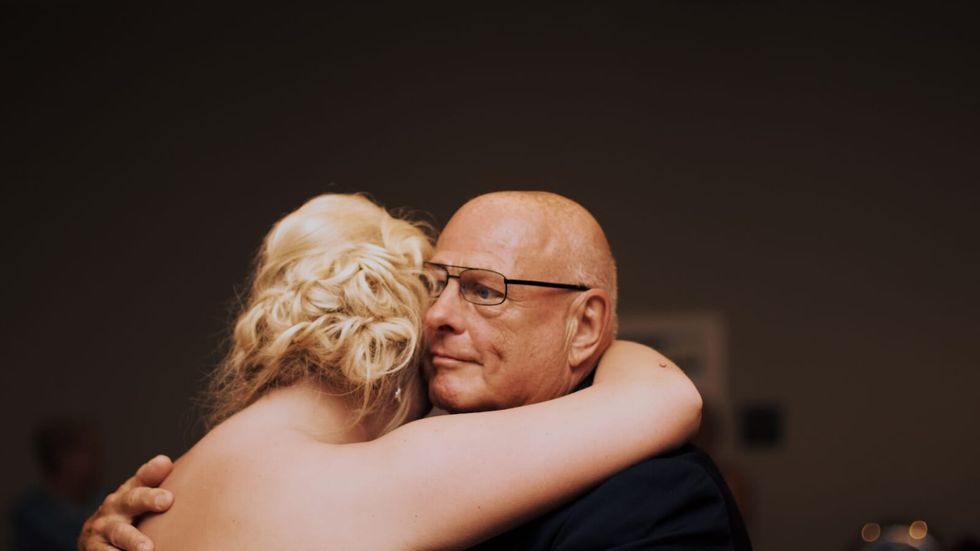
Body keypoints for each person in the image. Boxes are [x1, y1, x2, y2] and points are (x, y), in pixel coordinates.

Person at [78, 192, 702, 550]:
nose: (442, 318)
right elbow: (664, 396)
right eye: (434, 289)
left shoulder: (656, 495)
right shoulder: (390, 475)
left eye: (485, 290)